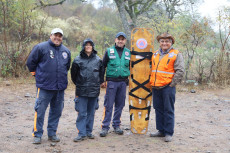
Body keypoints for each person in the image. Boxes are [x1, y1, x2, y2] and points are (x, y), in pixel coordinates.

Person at [26, 28, 71, 144]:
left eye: (60, 36)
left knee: (56, 111)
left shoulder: (66, 51)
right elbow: (31, 62)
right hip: (45, 87)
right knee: (40, 111)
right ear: (51, 35)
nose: (57, 38)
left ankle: (52, 133)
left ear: (62, 38)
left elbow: (67, 67)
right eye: (55, 35)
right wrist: (36, 74)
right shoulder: (41, 47)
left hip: (59, 87)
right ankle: (37, 134)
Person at [149, 33, 184, 142]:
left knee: (168, 110)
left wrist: (172, 84)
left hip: (168, 87)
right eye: (162, 41)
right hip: (156, 87)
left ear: (171, 43)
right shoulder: (155, 54)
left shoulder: (176, 54)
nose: (164, 43)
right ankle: (161, 130)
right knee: (158, 109)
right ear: (159, 43)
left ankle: (169, 132)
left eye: (167, 41)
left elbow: (180, 71)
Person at [71, 38, 103, 142]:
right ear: (83, 46)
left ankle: (89, 131)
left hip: (94, 91)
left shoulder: (98, 60)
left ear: (93, 47)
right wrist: (80, 84)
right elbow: (73, 76)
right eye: (86, 45)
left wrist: (97, 85)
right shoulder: (77, 60)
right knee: (81, 112)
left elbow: (101, 75)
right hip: (81, 90)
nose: (88, 46)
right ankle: (81, 133)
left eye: (90, 45)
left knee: (91, 112)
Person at [100, 32, 130, 137]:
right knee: (108, 104)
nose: (120, 41)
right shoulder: (109, 51)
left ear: (125, 41)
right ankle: (105, 127)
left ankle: (117, 125)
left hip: (123, 82)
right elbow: (103, 66)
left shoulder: (128, 53)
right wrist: (102, 80)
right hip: (111, 82)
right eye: (119, 39)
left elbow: (132, 68)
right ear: (115, 40)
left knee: (120, 105)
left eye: (122, 39)